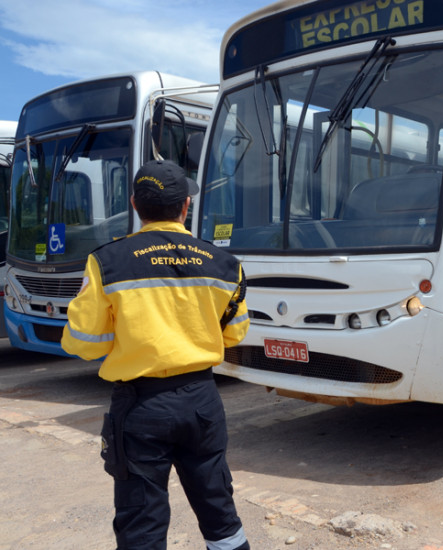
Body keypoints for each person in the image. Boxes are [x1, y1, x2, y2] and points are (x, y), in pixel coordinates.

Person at [61, 159, 251, 550]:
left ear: (134, 204)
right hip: (202, 401)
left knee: (141, 523)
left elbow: (83, 342)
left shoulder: (107, 262)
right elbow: (234, 334)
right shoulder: (225, 264)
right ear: (185, 207)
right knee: (219, 509)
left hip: (140, 405)